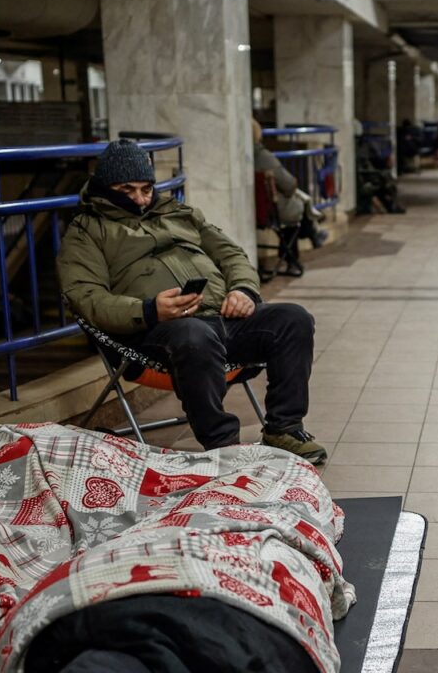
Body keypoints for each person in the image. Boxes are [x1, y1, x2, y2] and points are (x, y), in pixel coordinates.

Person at [58, 140, 327, 463]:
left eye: (146, 189)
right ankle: (223, 444)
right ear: (104, 187)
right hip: (155, 332)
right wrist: (148, 310)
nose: (140, 199)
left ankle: (284, 429)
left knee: (293, 319)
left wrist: (243, 290)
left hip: (221, 318)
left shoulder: (179, 214)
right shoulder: (86, 233)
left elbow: (231, 254)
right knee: (193, 334)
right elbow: (86, 297)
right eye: (127, 190)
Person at [253, 119, 328, 251]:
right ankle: (309, 236)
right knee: (298, 205)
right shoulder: (263, 157)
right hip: (270, 211)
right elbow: (288, 184)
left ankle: (312, 235)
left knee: (296, 202)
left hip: (256, 209)